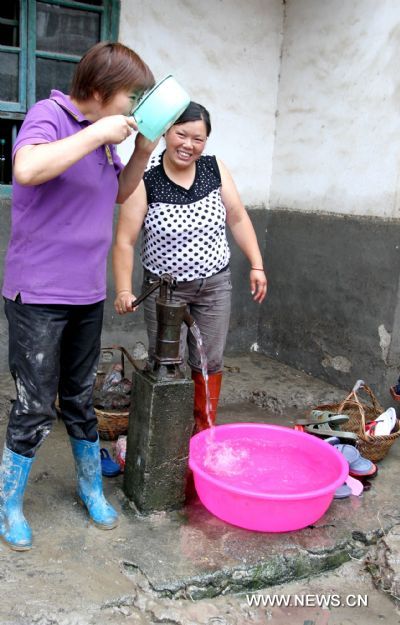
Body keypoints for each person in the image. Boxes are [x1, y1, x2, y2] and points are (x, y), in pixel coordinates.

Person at [0, 41, 158, 551]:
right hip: (39, 292)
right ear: (98, 90)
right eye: (130, 95)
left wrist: (140, 153)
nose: (134, 105)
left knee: (78, 399)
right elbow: (26, 169)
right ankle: (9, 503)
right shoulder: (50, 115)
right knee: (34, 403)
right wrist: (95, 134)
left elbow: (114, 193)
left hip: (86, 293)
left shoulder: (108, 141)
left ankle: (91, 488)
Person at [113, 101, 267, 434]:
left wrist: (257, 264)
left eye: (198, 138)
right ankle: (168, 431)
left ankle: (202, 430)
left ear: (206, 142)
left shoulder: (214, 169)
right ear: (167, 132)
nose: (188, 145)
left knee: (209, 361)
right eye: (181, 134)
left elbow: (237, 217)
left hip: (214, 285)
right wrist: (124, 289)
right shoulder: (145, 177)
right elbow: (125, 240)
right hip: (164, 291)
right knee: (167, 363)